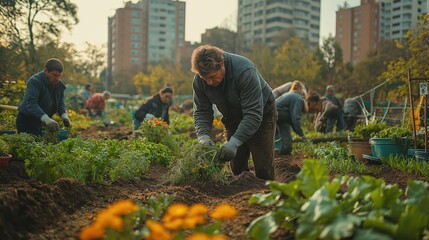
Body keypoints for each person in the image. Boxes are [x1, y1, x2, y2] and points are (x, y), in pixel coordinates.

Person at [191, 44, 277, 180]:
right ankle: (241, 197)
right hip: (232, 117)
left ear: (222, 64)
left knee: (263, 167)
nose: (208, 82)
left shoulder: (244, 71)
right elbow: (201, 111)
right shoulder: (200, 80)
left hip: (261, 114)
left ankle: (267, 195)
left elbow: (253, 115)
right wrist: (203, 137)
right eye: (204, 78)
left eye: (212, 77)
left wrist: (235, 142)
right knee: (236, 166)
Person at [16, 58, 71, 136]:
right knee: (28, 145)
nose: (57, 79)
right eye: (54, 75)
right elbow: (31, 104)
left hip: (40, 123)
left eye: (59, 76)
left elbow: (60, 103)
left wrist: (64, 116)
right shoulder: (34, 81)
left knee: (41, 145)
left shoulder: (58, 85)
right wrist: (46, 119)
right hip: (27, 122)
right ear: (46, 71)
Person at [275, 80, 308, 155]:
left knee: (285, 142)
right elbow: (295, 118)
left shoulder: (289, 94)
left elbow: (292, 120)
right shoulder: (298, 98)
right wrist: (302, 135)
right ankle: (282, 153)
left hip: (275, 116)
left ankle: (279, 152)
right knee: (286, 145)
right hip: (278, 115)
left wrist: (300, 133)